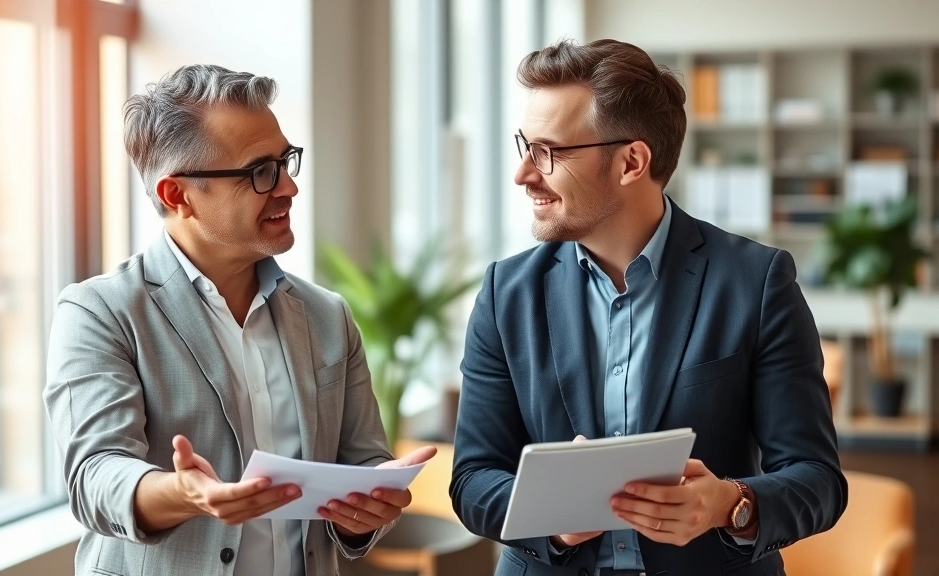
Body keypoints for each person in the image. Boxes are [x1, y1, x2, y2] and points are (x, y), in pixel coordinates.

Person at [450, 40, 847, 576]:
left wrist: (730, 504)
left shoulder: (756, 282)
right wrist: (554, 518)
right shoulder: (506, 292)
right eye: (525, 145)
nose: (523, 174)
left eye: (548, 152)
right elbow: (473, 478)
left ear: (631, 162)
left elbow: (817, 479)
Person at [44, 64, 434, 576]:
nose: (289, 187)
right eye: (260, 171)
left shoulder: (327, 316)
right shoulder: (100, 312)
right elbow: (95, 477)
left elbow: (363, 465)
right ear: (176, 194)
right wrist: (185, 494)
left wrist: (367, 511)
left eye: (286, 161)